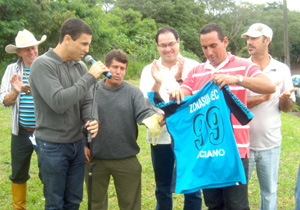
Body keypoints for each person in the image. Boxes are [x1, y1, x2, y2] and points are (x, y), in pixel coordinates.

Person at [165, 23, 276, 210]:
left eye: (213, 46)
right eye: (204, 47)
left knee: (237, 205)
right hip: (208, 151)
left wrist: (237, 79)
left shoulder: (244, 66)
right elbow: (184, 92)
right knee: (214, 204)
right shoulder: (197, 71)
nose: (209, 52)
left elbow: (270, 87)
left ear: (225, 42)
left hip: (235, 151)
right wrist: (177, 91)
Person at [28, 17, 109, 210]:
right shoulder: (42, 65)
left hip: (76, 144)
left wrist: (92, 119)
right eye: (83, 43)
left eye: (88, 44)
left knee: (74, 201)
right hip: (52, 146)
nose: (87, 49)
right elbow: (59, 102)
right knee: (55, 203)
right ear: (67, 39)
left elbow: (88, 100)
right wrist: (90, 76)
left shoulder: (79, 66)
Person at [84, 49, 161, 210]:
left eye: (122, 68)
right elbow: (81, 119)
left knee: (130, 205)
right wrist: (83, 144)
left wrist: (155, 118)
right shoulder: (92, 90)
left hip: (126, 157)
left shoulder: (133, 92)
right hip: (95, 158)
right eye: (114, 67)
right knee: (95, 204)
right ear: (105, 67)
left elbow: (143, 112)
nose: (118, 72)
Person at [140, 26, 202, 210]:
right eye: (163, 45)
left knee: (192, 187)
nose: (168, 49)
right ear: (157, 47)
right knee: (163, 187)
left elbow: (197, 99)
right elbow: (146, 101)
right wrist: (158, 82)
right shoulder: (149, 70)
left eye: (171, 44)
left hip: (189, 136)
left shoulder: (193, 67)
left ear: (179, 42)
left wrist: (180, 80)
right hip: (161, 137)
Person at [241, 23, 296, 210]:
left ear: (267, 40)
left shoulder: (282, 69)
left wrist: (285, 99)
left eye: (254, 38)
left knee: (270, 192)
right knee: (238, 193)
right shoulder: (242, 68)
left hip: (270, 144)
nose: (249, 42)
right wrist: (263, 97)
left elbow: (287, 108)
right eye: (248, 38)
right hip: (243, 144)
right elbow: (234, 104)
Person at [0, 29, 46, 210]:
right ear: (19, 52)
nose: (32, 51)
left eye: (33, 47)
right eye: (26, 49)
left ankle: (51, 205)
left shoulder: (46, 67)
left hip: (45, 132)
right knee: (18, 173)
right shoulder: (12, 70)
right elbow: (4, 100)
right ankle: (19, 207)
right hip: (20, 132)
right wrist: (16, 91)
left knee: (48, 172)